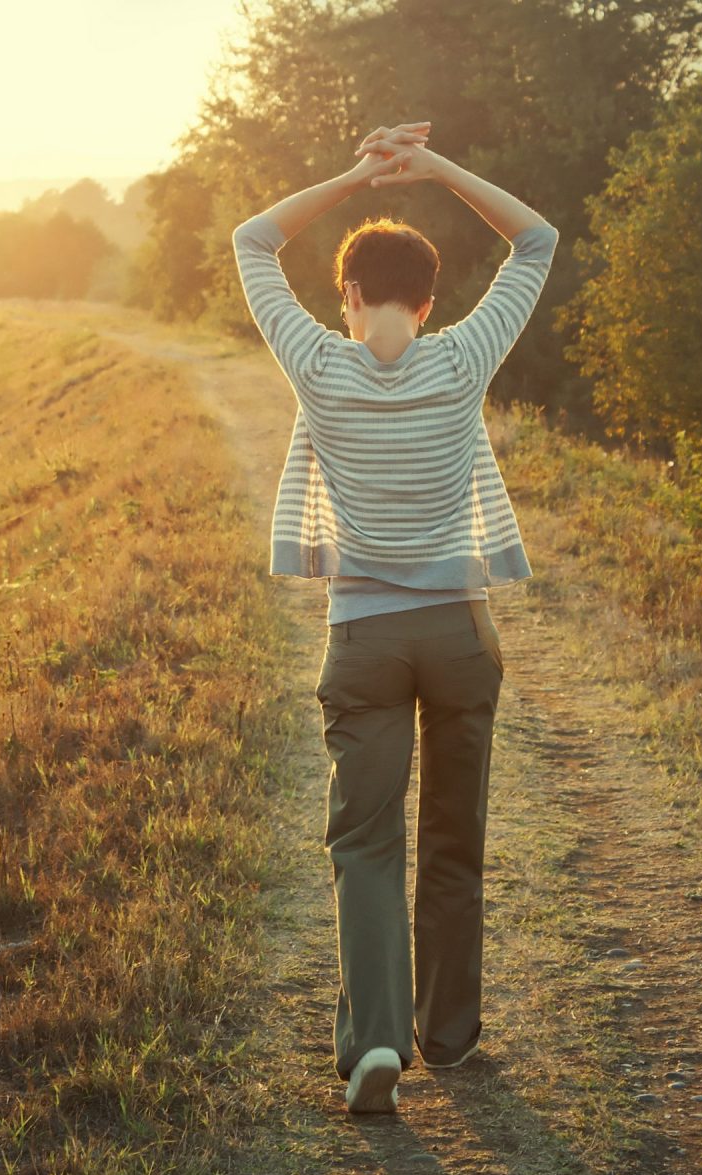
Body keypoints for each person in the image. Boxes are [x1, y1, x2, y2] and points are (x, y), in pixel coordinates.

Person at [232, 121, 558, 1114]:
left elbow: (252, 239)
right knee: (454, 839)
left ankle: (376, 1041)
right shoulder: (462, 360)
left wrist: (358, 174)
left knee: (365, 845)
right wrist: (433, 168)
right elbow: (537, 239)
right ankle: (449, 1035)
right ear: (429, 300)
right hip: (460, 635)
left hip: (365, 639)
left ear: (346, 298)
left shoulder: (318, 369)